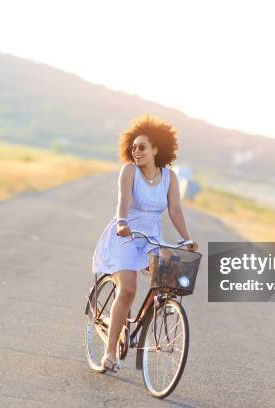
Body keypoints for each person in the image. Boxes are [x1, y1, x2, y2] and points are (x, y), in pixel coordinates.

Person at [91, 114, 198, 373]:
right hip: (126, 233)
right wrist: (121, 222)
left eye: (142, 147)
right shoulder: (129, 171)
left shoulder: (169, 177)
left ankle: (147, 319)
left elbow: (174, 209)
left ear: (156, 149)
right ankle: (110, 352)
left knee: (167, 276)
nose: (136, 151)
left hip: (152, 235)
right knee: (128, 290)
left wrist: (186, 238)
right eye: (133, 147)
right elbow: (123, 200)